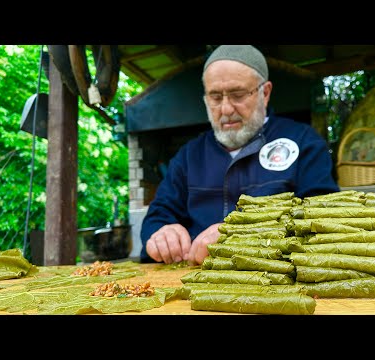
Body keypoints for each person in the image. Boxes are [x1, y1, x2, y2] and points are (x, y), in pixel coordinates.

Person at [140, 45, 340, 265]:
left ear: (265, 93)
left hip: (274, 283)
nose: (226, 109)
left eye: (238, 94)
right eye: (215, 97)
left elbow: (324, 220)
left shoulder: (304, 142)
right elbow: (157, 216)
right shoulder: (189, 155)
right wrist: (161, 234)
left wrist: (243, 235)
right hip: (195, 281)